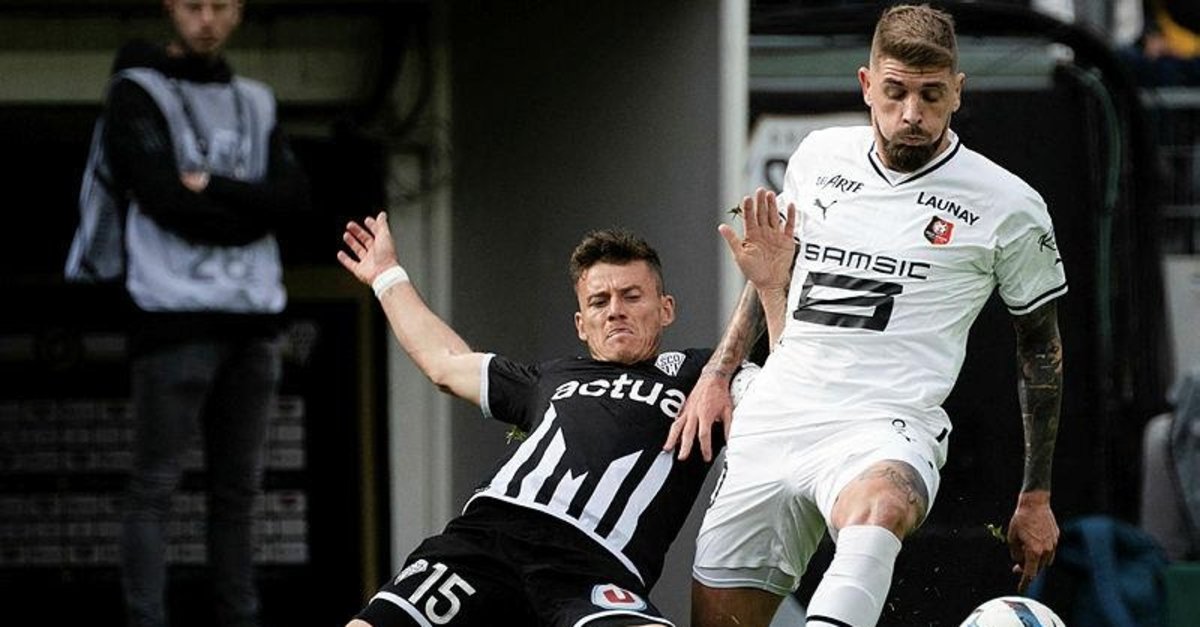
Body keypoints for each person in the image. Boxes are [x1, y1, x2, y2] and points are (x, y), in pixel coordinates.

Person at [664, 5, 1067, 626]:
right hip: (778, 416)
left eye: (932, 95)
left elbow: (1041, 348)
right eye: (896, 92)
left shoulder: (1009, 204)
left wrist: (1035, 495)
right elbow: (775, 271)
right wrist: (720, 372)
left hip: (887, 425)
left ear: (957, 91)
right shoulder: (819, 155)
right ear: (866, 85)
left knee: (881, 506)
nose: (913, 113)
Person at [337, 214, 729, 626]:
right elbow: (445, 363)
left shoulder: (706, 375)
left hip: (594, 569)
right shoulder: (550, 378)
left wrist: (763, 292)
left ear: (666, 309)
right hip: (487, 542)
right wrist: (387, 275)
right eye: (599, 301)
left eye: (631, 296)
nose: (615, 311)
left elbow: (773, 355)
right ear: (581, 324)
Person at [86, 2, 310, 626]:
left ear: (239, 12)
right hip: (174, 314)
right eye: (192, 5)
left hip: (253, 319)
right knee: (156, 485)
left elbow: (295, 201)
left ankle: (239, 616)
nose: (206, 19)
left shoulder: (257, 100)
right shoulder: (137, 91)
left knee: (238, 492)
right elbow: (160, 195)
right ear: (169, 8)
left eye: (219, 5)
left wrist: (211, 185)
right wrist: (251, 210)